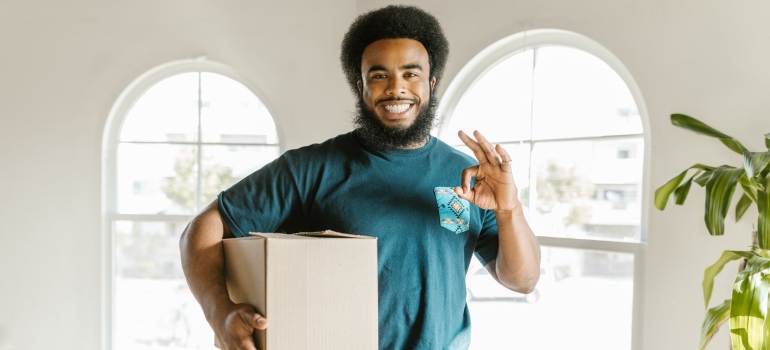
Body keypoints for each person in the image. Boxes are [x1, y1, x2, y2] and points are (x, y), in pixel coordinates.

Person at [180, 4, 541, 350]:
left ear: (430, 84)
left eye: (410, 74)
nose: (396, 88)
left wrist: (509, 210)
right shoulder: (310, 169)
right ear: (361, 87)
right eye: (379, 75)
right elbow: (203, 229)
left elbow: (521, 280)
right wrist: (219, 313)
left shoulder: (468, 176)